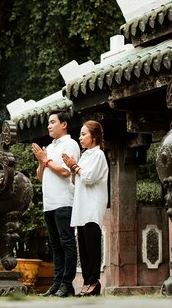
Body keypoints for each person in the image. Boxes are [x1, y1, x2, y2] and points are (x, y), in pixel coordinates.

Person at [31, 110, 80, 297]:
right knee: (55, 245)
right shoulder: (49, 147)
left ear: (64, 124)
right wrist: (41, 162)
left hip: (64, 201)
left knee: (67, 243)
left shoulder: (71, 144)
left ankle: (67, 284)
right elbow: (40, 177)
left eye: (52, 122)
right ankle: (57, 282)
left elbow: (66, 172)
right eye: (48, 123)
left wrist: (46, 159)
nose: (49, 126)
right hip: (49, 202)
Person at [62, 120, 108, 297]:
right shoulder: (85, 155)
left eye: (84, 134)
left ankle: (94, 282)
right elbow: (77, 183)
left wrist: (75, 166)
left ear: (94, 136)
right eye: (80, 134)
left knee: (93, 248)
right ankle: (88, 281)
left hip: (92, 208)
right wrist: (73, 170)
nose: (80, 138)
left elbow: (89, 178)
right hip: (81, 208)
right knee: (84, 248)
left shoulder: (98, 155)